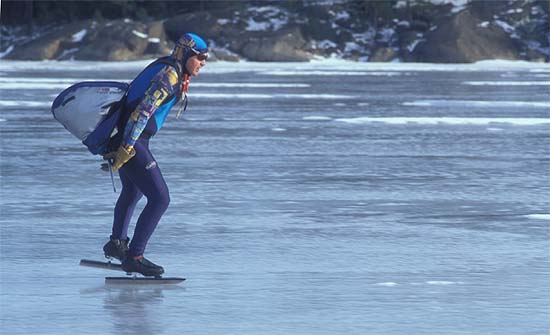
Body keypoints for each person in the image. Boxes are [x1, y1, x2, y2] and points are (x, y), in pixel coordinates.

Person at [101, 33, 208, 276]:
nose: (203, 62)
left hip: (128, 138)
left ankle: (117, 244)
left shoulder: (170, 68)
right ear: (188, 54)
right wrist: (127, 147)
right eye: (201, 57)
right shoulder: (169, 74)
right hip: (134, 140)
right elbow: (143, 111)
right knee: (160, 199)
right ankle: (134, 256)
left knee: (133, 190)